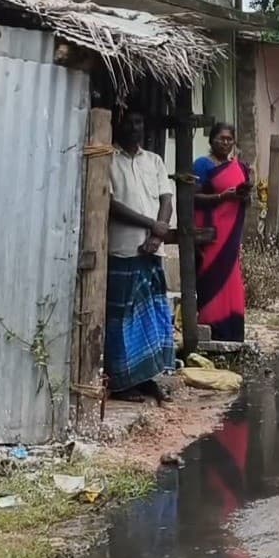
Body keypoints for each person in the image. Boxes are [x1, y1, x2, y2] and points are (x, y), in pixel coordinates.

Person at [105, 109, 176, 402]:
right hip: (124, 249)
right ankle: (122, 383)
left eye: (139, 122)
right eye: (129, 122)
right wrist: (151, 225)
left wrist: (157, 235)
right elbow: (110, 204)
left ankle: (148, 378)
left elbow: (166, 199)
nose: (135, 127)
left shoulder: (154, 161)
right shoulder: (108, 160)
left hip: (152, 250)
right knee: (123, 319)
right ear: (118, 125)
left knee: (153, 316)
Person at [191, 122, 252, 342]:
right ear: (211, 140)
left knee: (231, 279)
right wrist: (222, 197)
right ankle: (211, 328)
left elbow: (244, 201)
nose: (225, 143)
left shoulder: (238, 167)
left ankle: (232, 334)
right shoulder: (202, 165)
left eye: (229, 139)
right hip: (211, 233)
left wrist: (243, 195)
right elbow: (192, 197)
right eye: (221, 138)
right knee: (211, 278)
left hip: (230, 234)